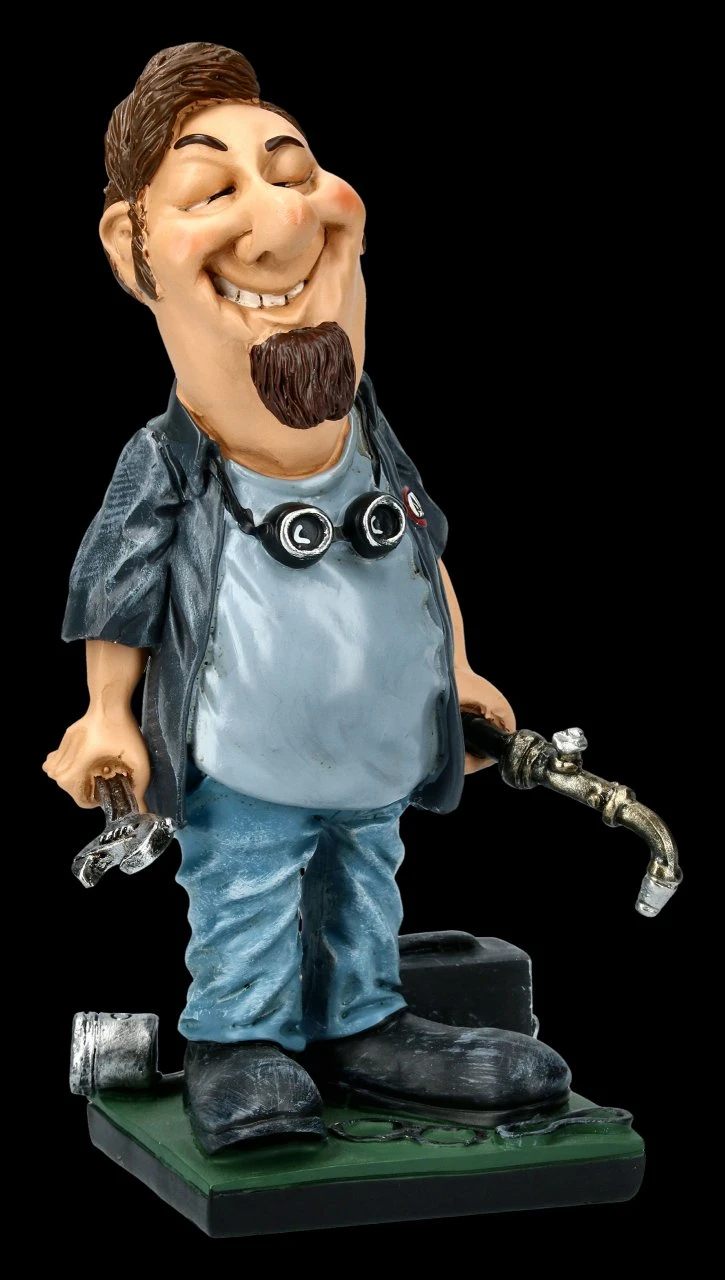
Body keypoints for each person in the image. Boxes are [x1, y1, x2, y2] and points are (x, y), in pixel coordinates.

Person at [43, 41, 570, 1154]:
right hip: (243, 748)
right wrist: (106, 713)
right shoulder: (171, 464)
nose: (280, 219)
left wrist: (456, 672)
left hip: (372, 741)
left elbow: (418, 547)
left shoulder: (368, 431)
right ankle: (239, 1039)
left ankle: (361, 1020)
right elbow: (117, 588)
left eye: (292, 173)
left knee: (364, 875)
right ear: (133, 249)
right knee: (246, 885)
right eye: (213, 190)